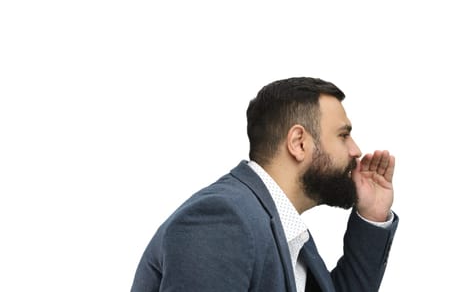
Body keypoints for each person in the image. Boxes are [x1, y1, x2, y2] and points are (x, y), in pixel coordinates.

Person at [131, 77, 398, 292]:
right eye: (343, 135)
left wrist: (371, 216)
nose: (356, 150)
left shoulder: (280, 227)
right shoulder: (223, 219)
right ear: (299, 143)